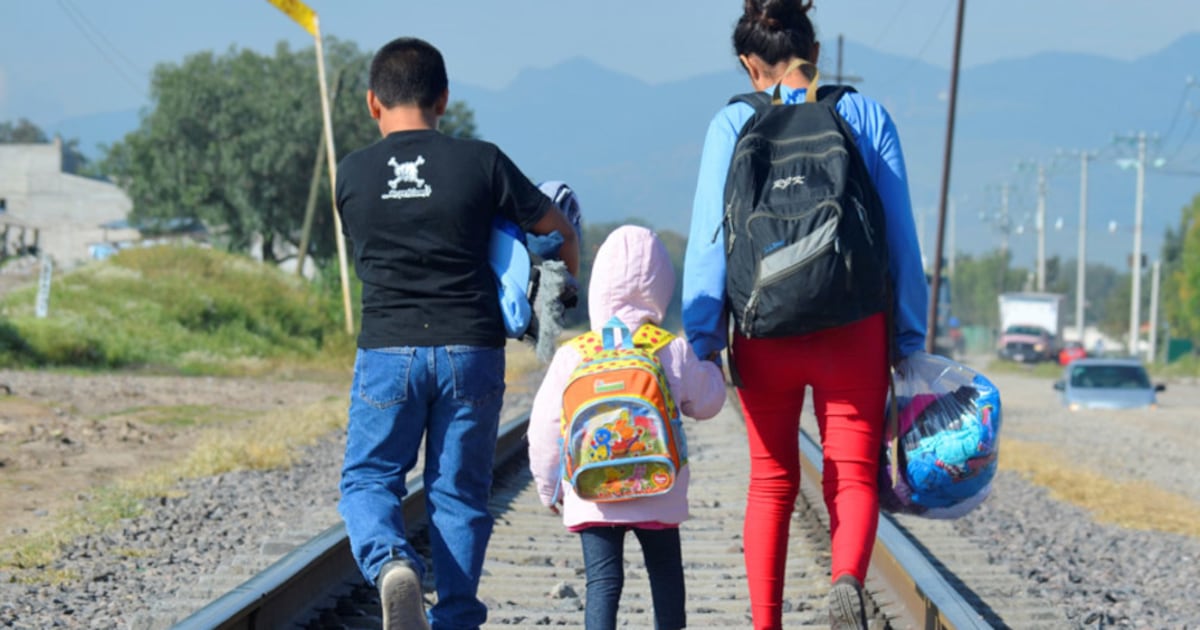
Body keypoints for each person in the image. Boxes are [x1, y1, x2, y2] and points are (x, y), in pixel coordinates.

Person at [681, 2, 928, 629]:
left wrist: (705, 338)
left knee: (770, 480)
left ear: (749, 64)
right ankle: (846, 579)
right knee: (852, 474)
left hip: (764, 328)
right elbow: (900, 238)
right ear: (814, 52)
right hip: (854, 324)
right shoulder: (863, 115)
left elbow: (710, 240)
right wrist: (907, 336)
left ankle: (767, 623)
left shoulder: (732, 122)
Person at [334, 36, 580, 630]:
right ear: (443, 99)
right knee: (458, 492)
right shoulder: (481, 161)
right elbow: (556, 227)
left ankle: (392, 563)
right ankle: (457, 618)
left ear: (372, 103)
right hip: (470, 348)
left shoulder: (353, 173)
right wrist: (561, 291)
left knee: (369, 479)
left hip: (387, 349)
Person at [527, 225, 727, 630]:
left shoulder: (575, 354)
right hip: (658, 487)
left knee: (603, 583)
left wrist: (549, 487)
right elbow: (707, 403)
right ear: (661, 286)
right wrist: (712, 366)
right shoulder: (670, 348)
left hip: (592, 491)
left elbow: (544, 428)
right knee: (666, 577)